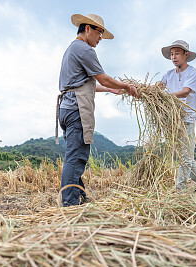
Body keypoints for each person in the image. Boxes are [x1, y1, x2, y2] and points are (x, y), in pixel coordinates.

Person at [56, 14, 138, 207]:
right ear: (87, 29)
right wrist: (127, 87)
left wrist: (110, 89)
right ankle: (70, 204)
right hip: (77, 108)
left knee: (75, 154)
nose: (100, 37)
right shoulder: (84, 49)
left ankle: (81, 198)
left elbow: (84, 83)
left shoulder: (72, 49)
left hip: (66, 108)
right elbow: (103, 78)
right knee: (76, 157)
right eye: (99, 32)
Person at [160, 40, 196, 192]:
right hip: (172, 120)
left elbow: (185, 91)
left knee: (184, 157)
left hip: (187, 119)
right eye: (172, 54)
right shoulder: (168, 75)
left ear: (186, 54)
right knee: (185, 155)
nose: (173, 57)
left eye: (177, 53)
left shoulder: (193, 73)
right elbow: (156, 88)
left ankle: (180, 190)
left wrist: (165, 97)